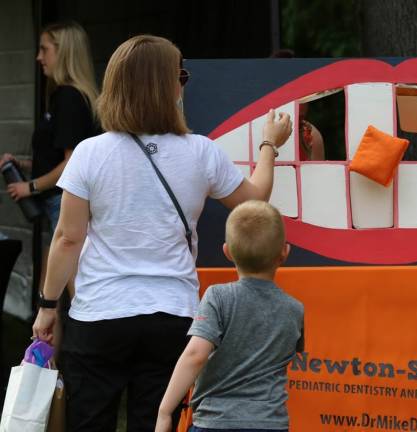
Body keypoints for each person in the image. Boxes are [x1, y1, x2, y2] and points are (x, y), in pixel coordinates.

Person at [31, 34, 293, 431]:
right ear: (165, 86)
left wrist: (48, 305)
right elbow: (253, 201)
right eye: (180, 75)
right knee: (155, 419)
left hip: (100, 312)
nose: (183, 83)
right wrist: (269, 146)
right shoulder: (200, 151)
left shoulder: (89, 152)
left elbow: (69, 239)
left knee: (88, 421)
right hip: (173, 313)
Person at [155, 200, 304, 432]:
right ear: (284, 253)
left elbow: (195, 355)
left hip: (215, 423)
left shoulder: (218, 297)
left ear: (227, 251)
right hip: (271, 424)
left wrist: (165, 412)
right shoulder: (295, 309)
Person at [1, 20, 99, 299]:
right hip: (56, 204)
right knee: (49, 295)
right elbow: (58, 157)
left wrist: (29, 187)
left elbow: (72, 164)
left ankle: (82, 342)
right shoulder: (64, 97)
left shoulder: (70, 97)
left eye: (44, 49)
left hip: (63, 205)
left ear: (63, 51)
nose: (39, 57)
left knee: (76, 293)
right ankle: (45, 344)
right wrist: (23, 166)